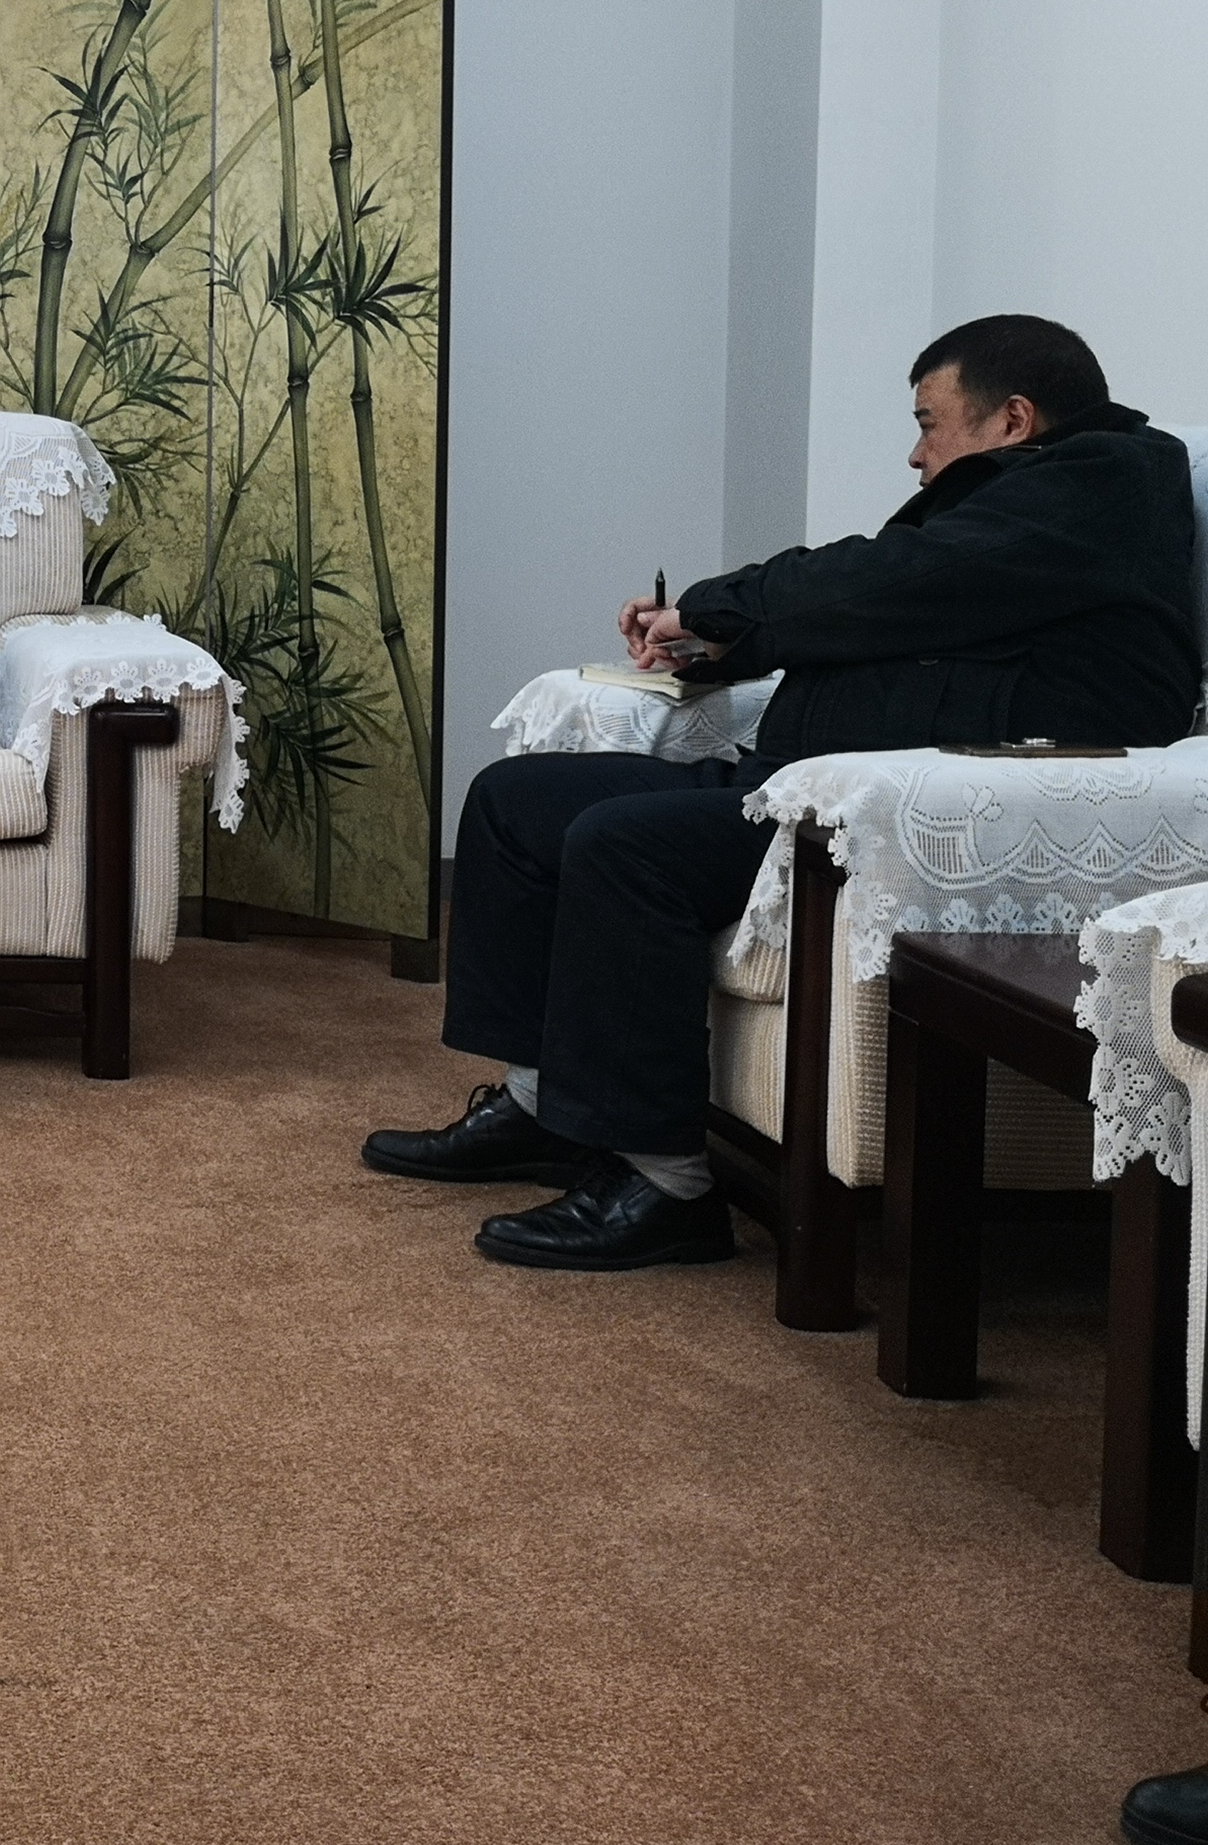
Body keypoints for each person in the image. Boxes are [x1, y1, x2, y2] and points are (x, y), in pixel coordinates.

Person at [364, 314, 1200, 1270]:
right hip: (801, 779)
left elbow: (886, 580)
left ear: (1013, 418)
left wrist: (713, 605)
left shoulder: (1103, 484)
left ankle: (664, 1186)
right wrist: (717, 644)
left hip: (891, 816)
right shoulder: (1025, 509)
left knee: (625, 845)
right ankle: (545, 1104)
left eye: (929, 423)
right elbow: (887, 610)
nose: (916, 453)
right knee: (513, 802)